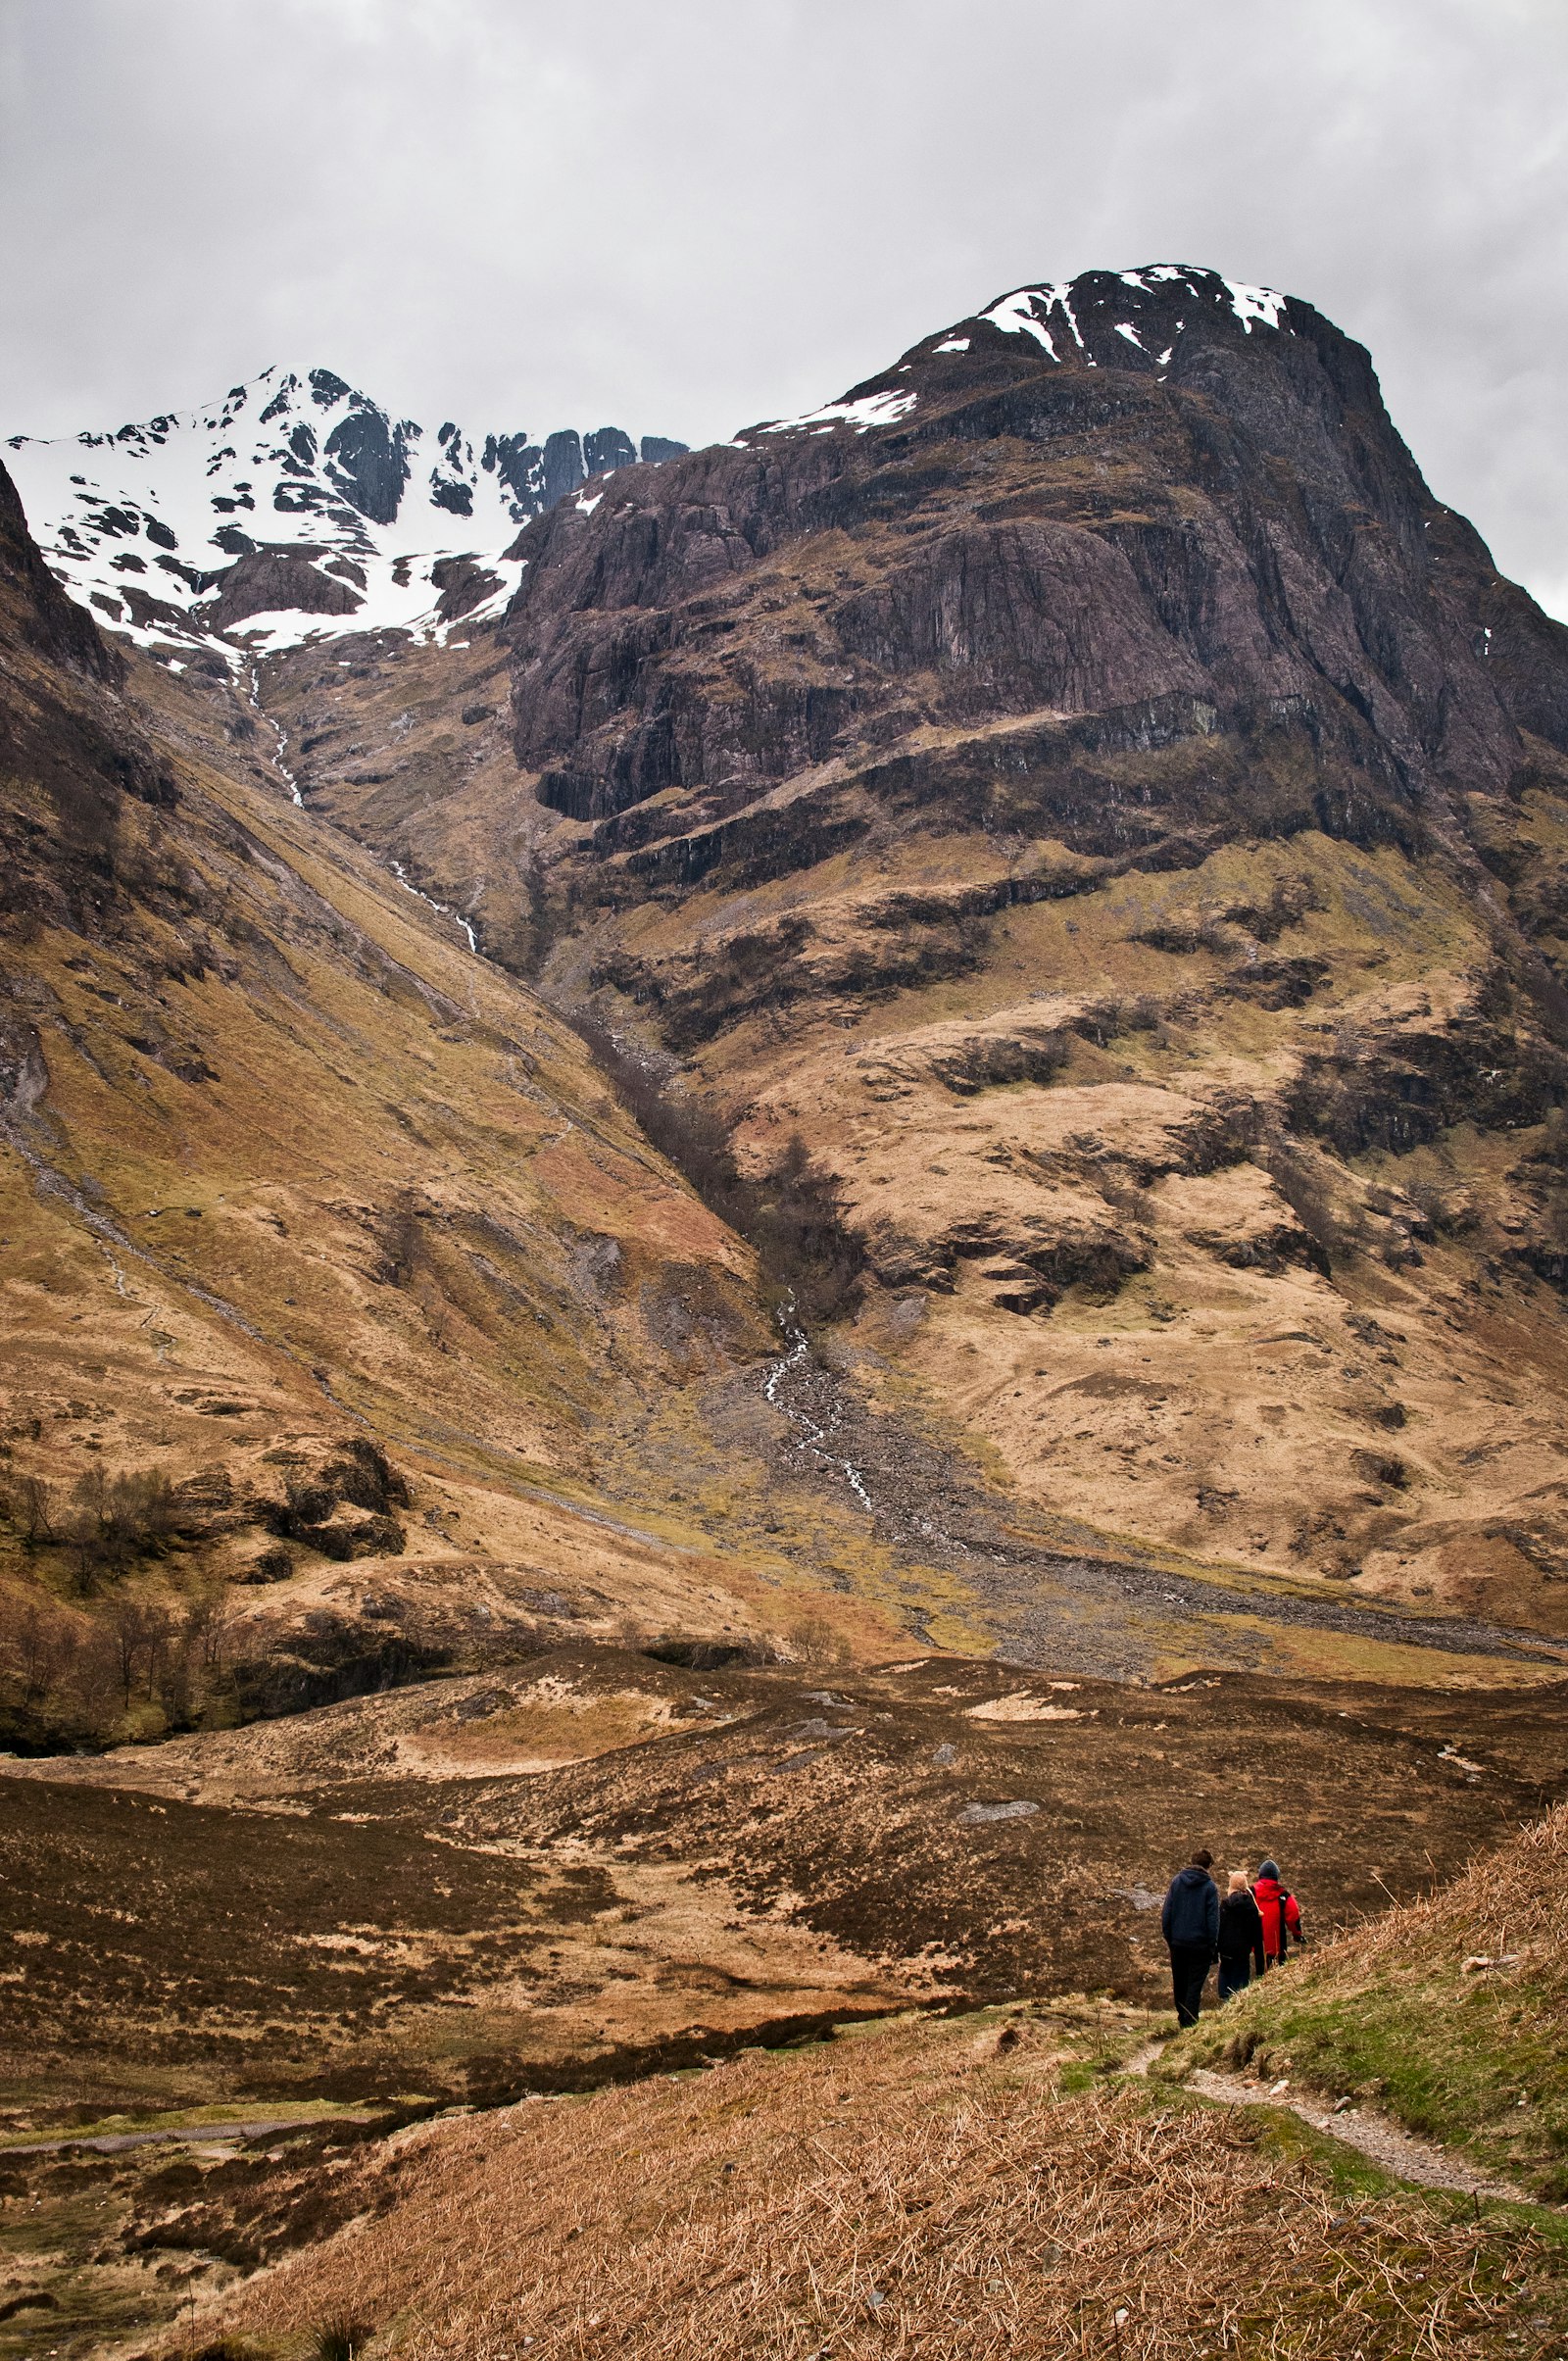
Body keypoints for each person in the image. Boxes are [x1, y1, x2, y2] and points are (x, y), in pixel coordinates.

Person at [1160, 1847, 1219, 2027]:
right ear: (1208, 1866)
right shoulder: (1210, 1887)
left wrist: (1169, 1937)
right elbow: (1213, 1919)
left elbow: (1167, 1912)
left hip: (1178, 1942)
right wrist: (1212, 1945)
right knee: (1194, 1984)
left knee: (1180, 1980)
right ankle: (1190, 2021)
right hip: (1200, 1945)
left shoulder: (1176, 1882)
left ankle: (1182, 2016)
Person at [1216, 1868, 1265, 1999]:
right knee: (1241, 1989)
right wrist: (1260, 1970)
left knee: (1225, 1989)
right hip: (1243, 1954)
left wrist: (1215, 1952)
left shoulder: (1224, 1906)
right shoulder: (1251, 1908)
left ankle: (1225, 2008)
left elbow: (1217, 1930)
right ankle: (1238, 2009)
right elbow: (1257, 1938)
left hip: (1225, 1954)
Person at [1252, 1858, 1303, 1967]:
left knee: (1258, 1975)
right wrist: (1297, 1934)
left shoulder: (1251, 1893)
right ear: (1276, 1877)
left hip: (1254, 1946)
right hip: (1278, 1947)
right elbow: (1293, 1917)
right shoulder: (1283, 1896)